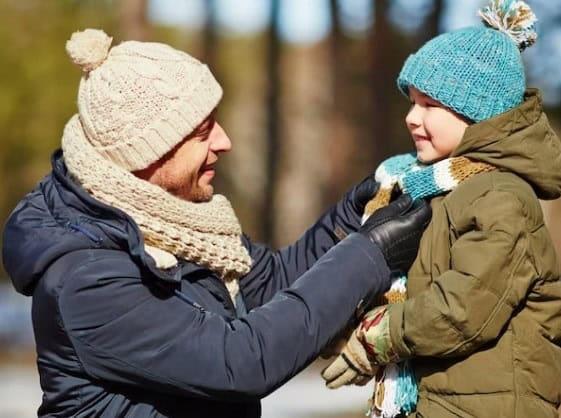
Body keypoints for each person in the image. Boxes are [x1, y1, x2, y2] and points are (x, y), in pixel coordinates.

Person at [1, 29, 431, 418]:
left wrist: (351, 216)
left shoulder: (175, 222)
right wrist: (368, 255)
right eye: (203, 131)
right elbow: (237, 360)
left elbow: (270, 284)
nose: (224, 141)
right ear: (148, 153)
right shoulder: (85, 278)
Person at [321, 1, 561, 417]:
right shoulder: (432, 187)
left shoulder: (502, 197)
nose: (412, 118)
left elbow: (464, 306)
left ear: (478, 114)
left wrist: (378, 337)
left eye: (430, 105)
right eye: (412, 102)